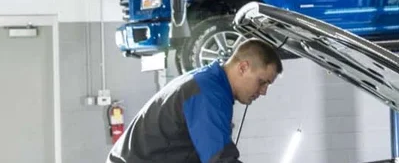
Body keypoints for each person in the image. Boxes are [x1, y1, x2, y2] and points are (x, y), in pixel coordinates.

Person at [109, 38, 283, 163]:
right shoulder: (208, 94)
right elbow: (220, 159)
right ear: (243, 67)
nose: (264, 92)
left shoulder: (209, 82)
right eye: (262, 82)